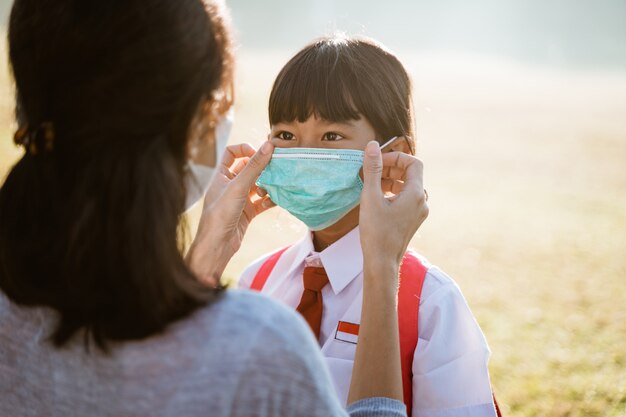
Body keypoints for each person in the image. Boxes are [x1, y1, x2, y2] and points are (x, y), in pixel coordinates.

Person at [0, 1, 428, 416]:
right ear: (203, 126)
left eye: (332, 136)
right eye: (223, 103)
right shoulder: (258, 346)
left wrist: (203, 259)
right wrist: (382, 267)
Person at [239, 36, 499, 417]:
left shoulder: (430, 301)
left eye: (331, 136)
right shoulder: (256, 283)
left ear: (396, 153)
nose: (302, 153)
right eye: (285, 136)